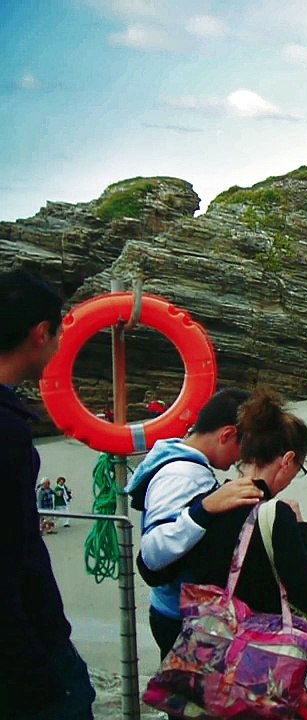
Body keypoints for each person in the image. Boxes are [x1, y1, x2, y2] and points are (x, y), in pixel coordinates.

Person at [0, 269, 97, 718]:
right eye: (58, 334)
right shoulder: (8, 431)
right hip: (27, 657)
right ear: (41, 334)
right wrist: (36, 673)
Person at [128, 388, 264, 657]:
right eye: (243, 449)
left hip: (173, 608)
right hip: (179, 615)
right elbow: (153, 553)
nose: (241, 459)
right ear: (226, 435)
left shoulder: (179, 459)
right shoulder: (183, 475)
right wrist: (204, 509)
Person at [180, 390, 307, 618]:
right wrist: (302, 530)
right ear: (287, 460)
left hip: (213, 637)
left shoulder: (210, 502)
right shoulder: (275, 515)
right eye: (298, 469)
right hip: (258, 645)